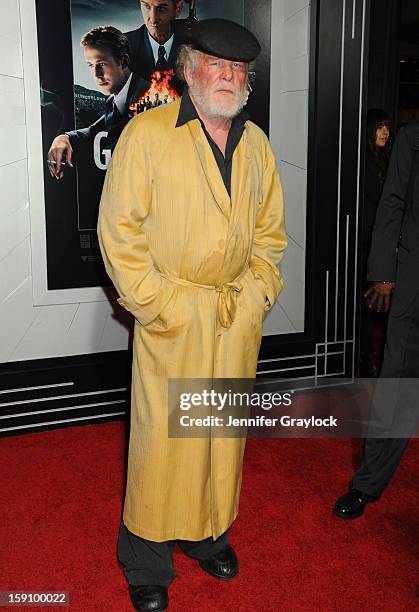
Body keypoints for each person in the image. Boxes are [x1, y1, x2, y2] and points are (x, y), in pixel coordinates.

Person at [97, 18, 287, 612]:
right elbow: (118, 233)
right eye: (216, 65)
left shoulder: (255, 145)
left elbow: (270, 237)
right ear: (187, 69)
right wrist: (161, 307)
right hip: (172, 319)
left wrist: (256, 295)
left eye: (238, 70)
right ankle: (147, 559)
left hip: (234, 320)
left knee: (218, 438)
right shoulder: (147, 134)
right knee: (162, 444)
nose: (228, 77)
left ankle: (207, 535)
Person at [334, 122, 419, 519]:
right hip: (413, 279)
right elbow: (393, 203)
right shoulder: (412, 138)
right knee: (397, 382)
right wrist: (384, 273)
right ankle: (368, 484)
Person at [47, 26, 149, 179]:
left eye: (101, 64)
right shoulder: (113, 101)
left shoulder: (152, 96)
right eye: (91, 65)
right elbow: (94, 131)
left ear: (124, 61)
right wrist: (64, 137)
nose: (96, 74)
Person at [359, 109, 392, 376]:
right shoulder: (363, 162)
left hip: (379, 241)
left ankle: (369, 359)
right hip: (362, 241)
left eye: (387, 127)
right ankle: (362, 361)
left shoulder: (387, 161)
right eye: (379, 127)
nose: (385, 132)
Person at [125, 0, 184, 80]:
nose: (153, 20)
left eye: (162, 9)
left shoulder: (195, 44)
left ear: (178, 8)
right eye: (147, 6)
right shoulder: (122, 47)